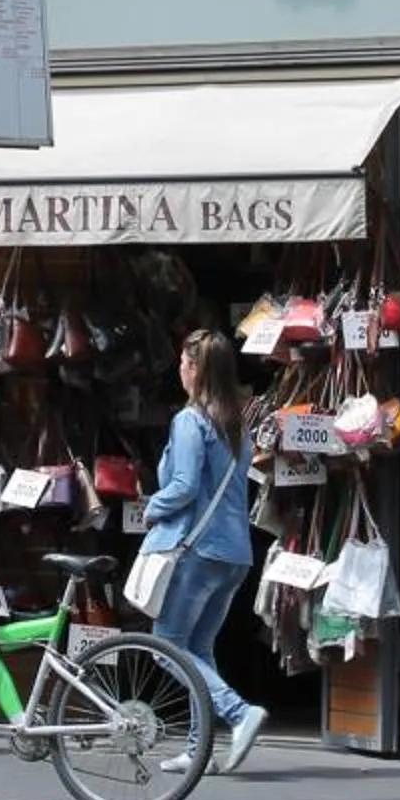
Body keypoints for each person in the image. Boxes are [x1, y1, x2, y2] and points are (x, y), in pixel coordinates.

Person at [142, 330, 269, 775]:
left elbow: (183, 487)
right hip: (234, 552)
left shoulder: (191, 421)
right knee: (199, 647)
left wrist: (150, 509)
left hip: (197, 550)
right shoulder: (236, 423)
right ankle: (199, 748)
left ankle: (238, 712)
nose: (178, 369)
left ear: (195, 369)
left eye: (182, 362)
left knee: (165, 647)